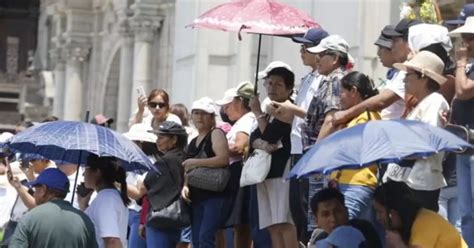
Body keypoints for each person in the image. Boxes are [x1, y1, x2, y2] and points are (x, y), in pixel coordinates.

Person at [383, 51, 450, 212]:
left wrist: (398, 149)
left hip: (419, 183)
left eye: (409, 74)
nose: (405, 79)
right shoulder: (421, 104)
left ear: (423, 77)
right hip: (406, 179)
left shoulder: (435, 102)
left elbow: (427, 144)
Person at [249, 61, 298, 248]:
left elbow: (270, 135)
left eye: (278, 84)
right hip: (264, 172)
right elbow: (255, 137)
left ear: (289, 88)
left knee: (284, 222)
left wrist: (256, 112)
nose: (272, 88)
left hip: (281, 170)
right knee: (272, 225)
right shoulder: (269, 109)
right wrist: (260, 141)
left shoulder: (287, 108)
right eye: (269, 83)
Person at [321, 71, 380, 219]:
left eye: (342, 92)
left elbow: (349, 151)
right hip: (345, 183)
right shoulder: (353, 119)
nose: (339, 97)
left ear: (353, 91)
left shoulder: (367, 118)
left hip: (357, 183)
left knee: (342, 225)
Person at [289, 27, 329, 243]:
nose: (302, 51)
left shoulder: (325, 81)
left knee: (309, 208)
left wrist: (289, 108)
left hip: (311, 148)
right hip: (297, 147)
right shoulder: (306, 78)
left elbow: (315, 116)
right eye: (302, 47)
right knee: (296, 207)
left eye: (306, 47)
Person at [181, 97, 230, 248]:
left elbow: (223, 159)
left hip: (214, 196)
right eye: (196, 113)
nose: (199, 117)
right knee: (196, 239)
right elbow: (187, 168)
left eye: (204, 113)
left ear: (211, 117)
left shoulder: (216, 133)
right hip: (196, 197)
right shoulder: (193, 140)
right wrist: (185, 185)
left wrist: (195, 162)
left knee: (205, 238)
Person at [132, 121, 188, 248]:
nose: (157, 141)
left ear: (174, 139)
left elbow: (139, 192)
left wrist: (117, 182)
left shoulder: (164, 161)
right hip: (181, 220)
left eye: (161, 137)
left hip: (160, 221)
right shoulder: (186, 157)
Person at [9, 168, 97, 248]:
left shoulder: (30, 218)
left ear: (43, 189)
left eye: (36, 189)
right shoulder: (84, 220)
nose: (34, 194)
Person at [373, 181, 467, 248]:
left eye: (380, 212)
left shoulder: (425, 222)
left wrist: (398, 245)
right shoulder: (408, 225)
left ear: (393, 212)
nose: (378, 218)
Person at [448, 15, 474, 246]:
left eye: (470, 38)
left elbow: (464, 90)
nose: (465, 43)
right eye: (464, 38)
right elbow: (459, 97)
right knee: (467, 211)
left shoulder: (465, 67)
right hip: (465, 144)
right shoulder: (469, 67)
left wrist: (460, 63)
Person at [81, 154, 129, 248]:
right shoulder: (107, 197)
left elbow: (112, 241)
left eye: (85, 168)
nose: (83, 174)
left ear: (97, 172)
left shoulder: (107, 200)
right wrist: (83, 203)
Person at [308, 188, 381, 248]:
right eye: (326, 214)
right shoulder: (319, 239)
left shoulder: (364, 230)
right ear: (317, 221)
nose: (333, 219)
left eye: (338, 211)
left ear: (347, 212)